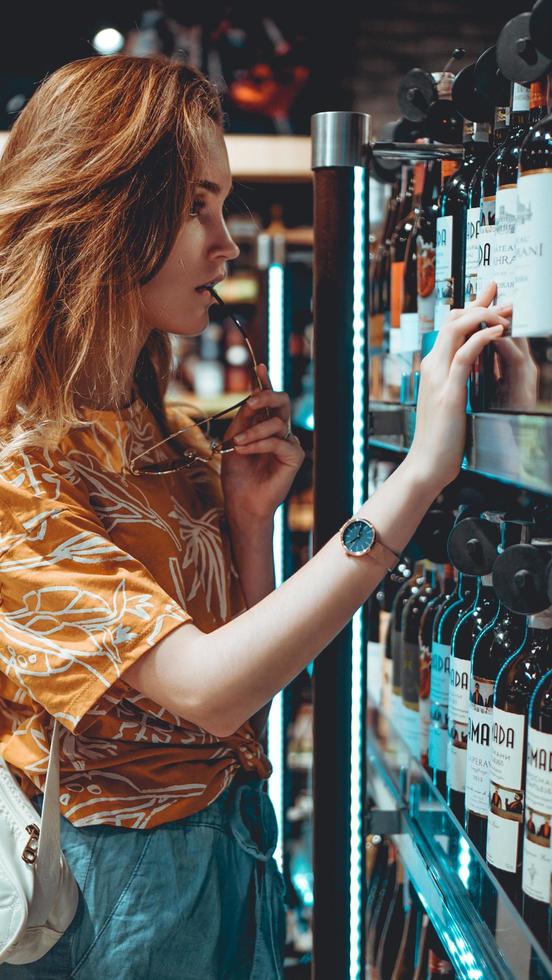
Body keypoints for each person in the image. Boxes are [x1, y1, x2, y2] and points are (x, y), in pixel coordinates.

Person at [0, 55, 509, 980]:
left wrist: (245, 525)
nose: (227, 243)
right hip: (118, 886)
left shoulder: (161, 427)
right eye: (197, 205)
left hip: (232, 841)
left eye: (224, 205)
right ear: (109, 212)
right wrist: (420, 477)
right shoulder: (21, 472)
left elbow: (244, 698)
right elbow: (206, 687)